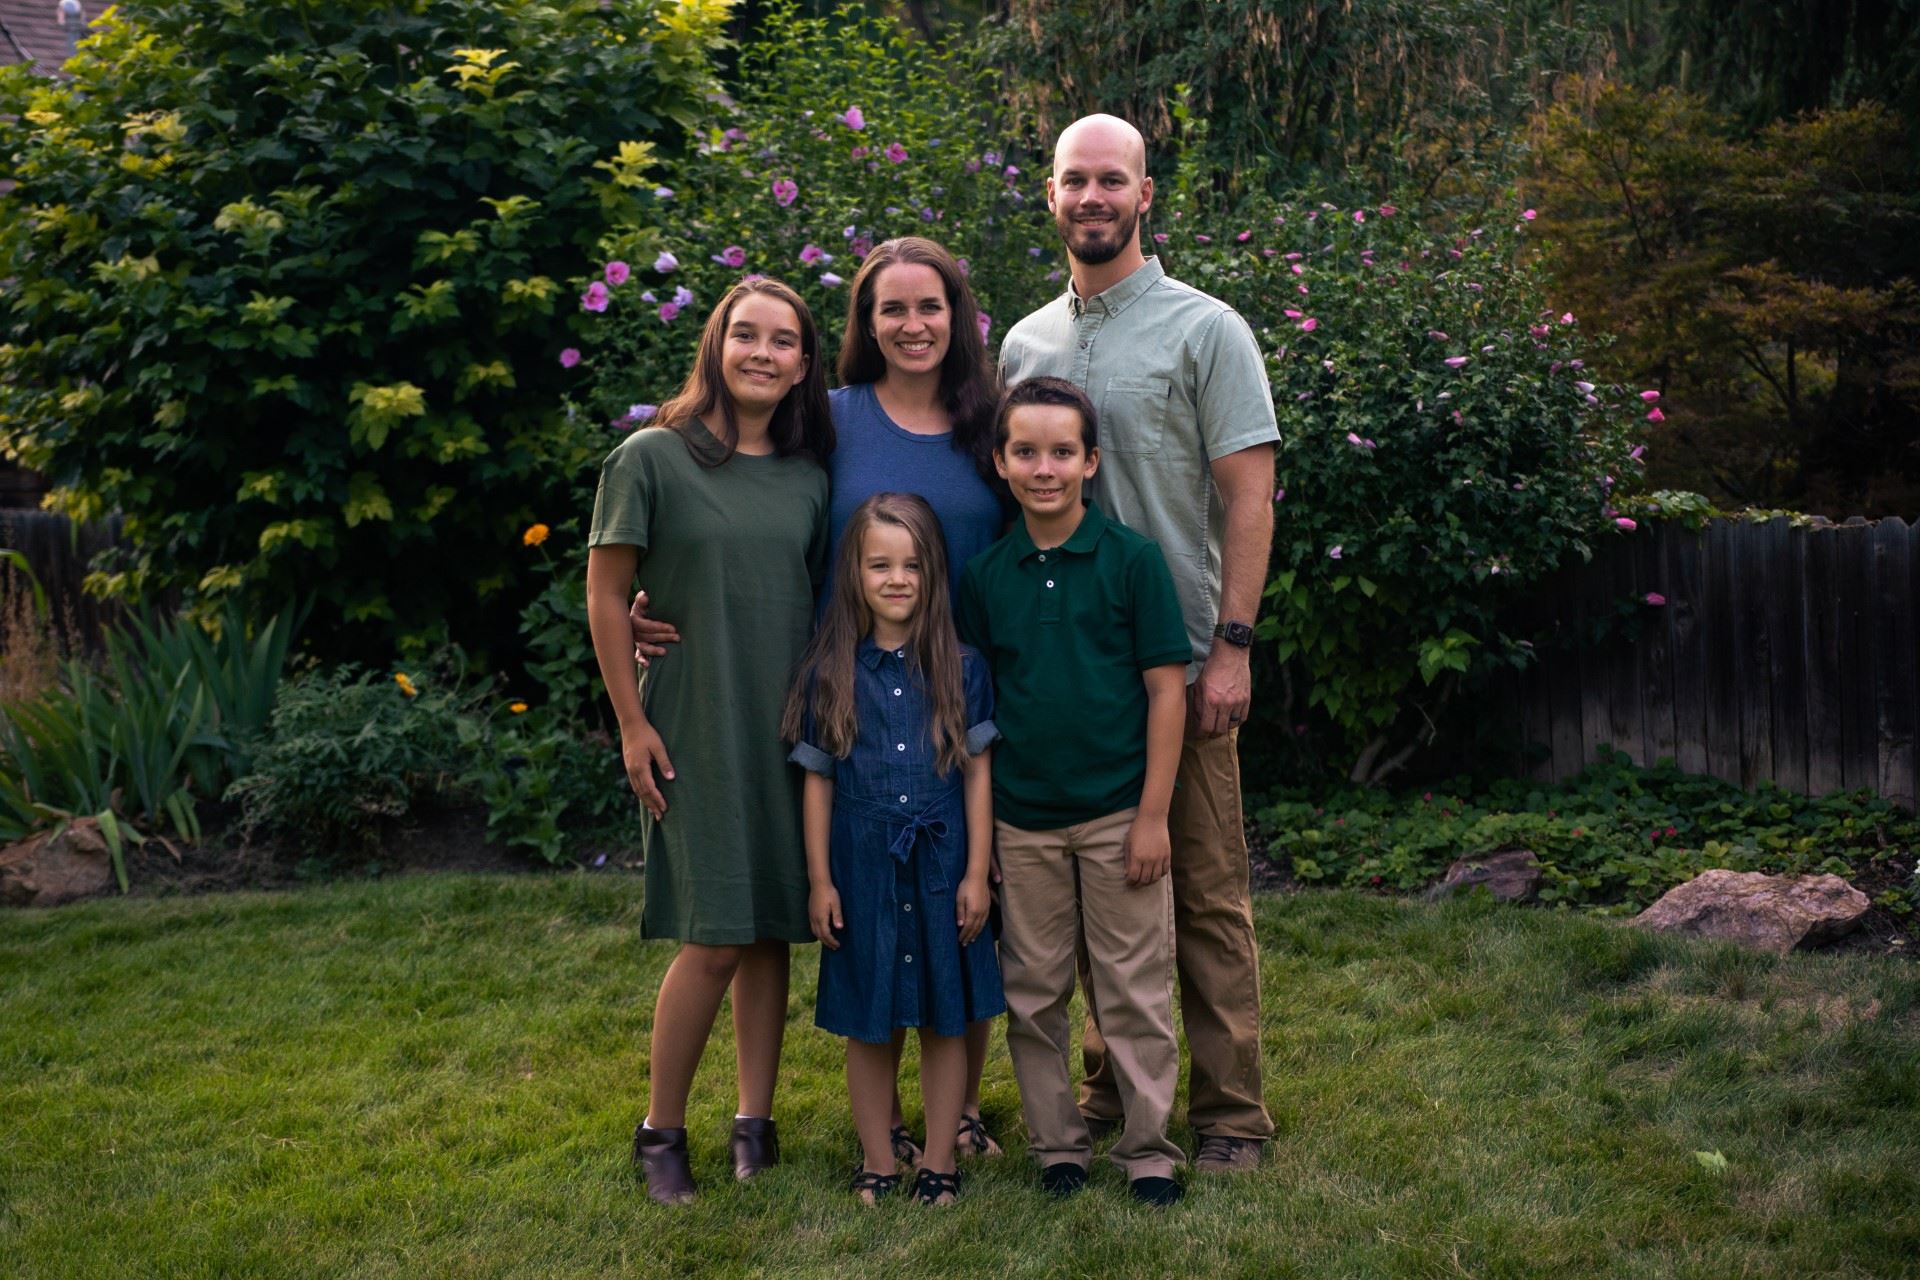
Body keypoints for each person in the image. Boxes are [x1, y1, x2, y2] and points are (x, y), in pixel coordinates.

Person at [629, 236, 1012, 1165]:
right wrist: (658, 600)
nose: (913, 325)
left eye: (932, 307)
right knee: (870, 908)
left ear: (960, 319)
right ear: (865, 324)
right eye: (892, 309)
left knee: (972, 901)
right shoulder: (829, 423)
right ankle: (754, 1126)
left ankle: (956, 1114)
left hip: (965, 695)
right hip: (849, 705)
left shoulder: (987, 421)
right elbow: (755, 515)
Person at [998, 113, 1280, 1172]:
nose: (1093, 198)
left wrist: (1233, 647)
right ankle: (1110, 1088)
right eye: (1076, 180)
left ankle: (1232, 1114)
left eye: (1112, 180)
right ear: (1052, 194)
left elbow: (1249, 497)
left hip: (1178, 667)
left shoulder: (1207, 329)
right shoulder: (1027, 342)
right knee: (1089, 900)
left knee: (1202, 894)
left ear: (1147, 195)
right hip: (1069, 675)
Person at [585, 278, 834, 1207]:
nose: (763, 354)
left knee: (770, 928)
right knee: (715, 936)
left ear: (805, 364)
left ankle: (754, 1124)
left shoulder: (810, 475)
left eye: (783, 342)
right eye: (746, 336)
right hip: (692, 716)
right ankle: (661, 1132)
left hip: (787, 720)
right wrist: (632, 721)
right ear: (717, 346)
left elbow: (812, 596)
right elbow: (610, 594)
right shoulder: (651, 457)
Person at [957, 377, 1192, 1207]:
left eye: (1063, 451)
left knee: (1132, 989)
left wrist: (1153, 817)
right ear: (1001, 462)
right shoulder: (986, 576)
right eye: (1026, 451)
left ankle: (1148, 1149)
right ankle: (1059, 1146)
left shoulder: (1132, 561)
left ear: (1091, 461)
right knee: (1032, 994)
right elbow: (980, 709)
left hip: (1118, 813)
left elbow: (1168, 690)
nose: (1044, 467)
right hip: (1024, 822)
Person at [782, 492, 1003, 1206]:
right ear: (855, 574)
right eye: (880, 564)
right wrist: (821, 880)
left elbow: (977, 775)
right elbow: (817, 783)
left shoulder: (962, 667)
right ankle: (878, 1157)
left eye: (912, 565)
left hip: (943, 869)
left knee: (947, 1014)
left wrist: (976, 871)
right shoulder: (829, 671)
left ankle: (940, 1159)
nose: (897, 579)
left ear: (933, 573)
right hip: (864, 867)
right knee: (870, 1020)